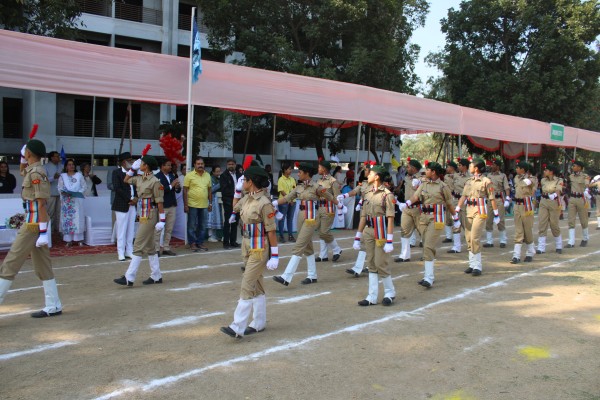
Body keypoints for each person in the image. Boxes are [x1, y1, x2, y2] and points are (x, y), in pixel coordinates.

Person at [0, 138, 63, 318]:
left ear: (29, 154)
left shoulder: (36, 173)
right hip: (35, 222)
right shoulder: (32, 170)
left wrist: (43, 232)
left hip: (34, 223)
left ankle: (53, 304)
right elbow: (22, 171)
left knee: (10, 263)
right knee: (43, 265)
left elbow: (42, 203)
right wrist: (22, 158)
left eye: (25, 153)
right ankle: (53, 305)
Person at [220, 166, 279, 338]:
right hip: (247, 245)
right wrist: (238, 191)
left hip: (259, 247)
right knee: (257, 284)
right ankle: (259, 323)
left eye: (244, 180)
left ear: (251, 181)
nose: (242, 182)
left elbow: (272, 231)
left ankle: (238, 326)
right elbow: (235, 207)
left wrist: (274, 254)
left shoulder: (264, 203)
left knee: (247, 283)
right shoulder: (247, 198)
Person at [272, 162, 335, 286]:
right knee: (307, 246)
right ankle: (312, 275)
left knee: (299, 244)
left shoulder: (317, 186)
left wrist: (340, 205)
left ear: (307, 174)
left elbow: (329, 196)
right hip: (301, 215)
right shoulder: (299, 187)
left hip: (312, 217)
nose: (298, 173)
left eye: (300, 172)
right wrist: (273, 203)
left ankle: (286, 276)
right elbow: (287, 198)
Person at [399, 162, 459, 288]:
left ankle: (429, 278)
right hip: (423, 218)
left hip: (436, 219)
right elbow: (416, 196)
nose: (425, 171)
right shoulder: (424, 184)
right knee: (426, 245)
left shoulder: (443, 187)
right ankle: (427, 274)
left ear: (433, 172)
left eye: (427, 170)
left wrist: (455, 217)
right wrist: (407, 203)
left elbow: (449, 204)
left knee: (428, 246)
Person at [114, 154, 165, 286]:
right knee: (149, 247)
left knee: (138, 244)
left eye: (141, 163)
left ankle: (129, 277)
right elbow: (126, 179)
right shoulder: (140, 178)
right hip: (143, 213)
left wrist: (162, 220)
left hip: (151, 213)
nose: (138, 164)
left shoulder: (155, 181)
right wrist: (132, 170)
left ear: (146, 166)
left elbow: (159, 202)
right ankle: (156, 275)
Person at [353, 165, 396, 306]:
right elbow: (364, 216)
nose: (368, 175)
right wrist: (357, 236)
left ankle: (390, 292)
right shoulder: (367, 193)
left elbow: (390, 218)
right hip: (369, 230)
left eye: (371, 173)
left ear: (377, 176)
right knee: (371, 262)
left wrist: (389, 240)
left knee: (380, 263)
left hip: (381, 230)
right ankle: (372, 296)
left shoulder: (387, 195)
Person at [456, 158, 499, 276]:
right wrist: (457, 208)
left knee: (475, 237)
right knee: (468, 238)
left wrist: (496, 213)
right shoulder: (469, 181)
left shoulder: (486, 181)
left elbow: (491, 198)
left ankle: (478, 266)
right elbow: (463, 196)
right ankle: (471, 264)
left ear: (476, 168)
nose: (469, 167)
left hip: (480, 210)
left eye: (471, 165)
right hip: (468, 210)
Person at [509, 161, 538, 264]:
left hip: (527, 206)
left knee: (527, 230)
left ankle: (530, 252)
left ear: (523, 169)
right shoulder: (516, 177)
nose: (516, 169)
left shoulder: (532, 179)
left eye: (518, 168)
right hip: (517, 205)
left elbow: (529, 183)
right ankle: (516, 255)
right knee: (518, 230)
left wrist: (524, 176)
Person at [395, 158, 423, 263]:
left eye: (408, 166)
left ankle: (427, 254)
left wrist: (419, 182)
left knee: (423, 231)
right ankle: (404, 255)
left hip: (418, 208)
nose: (407, 168)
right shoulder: (406, 177)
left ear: (414, 168)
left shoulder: (422, 178)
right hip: (407, 207)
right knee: (404, 231)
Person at [316, 159, 343, 262]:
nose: (318, 169)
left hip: (329, 208)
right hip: (320, 208)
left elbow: (337, 197)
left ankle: (336, 249)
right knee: (320, 231)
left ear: (324, 169)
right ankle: (323, 255)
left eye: (319, 167)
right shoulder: (319, 181)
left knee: (324, 232)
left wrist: (340, 211)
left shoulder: (333, 181)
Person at [183, 156, 212, 252]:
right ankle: (192, 243)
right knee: (191, 225)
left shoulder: (207, 175)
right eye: (198, 164)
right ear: (194, 165)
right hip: (192, 205)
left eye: (202, 164)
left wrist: (210, 203)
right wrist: (186, 205)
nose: (200, 165)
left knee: (203, 225)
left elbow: (209, 190)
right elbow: (185, 190)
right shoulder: (189, 175)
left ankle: (200, 242)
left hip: (204, 205)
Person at [112, 152, 136, 261]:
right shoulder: (116, 172)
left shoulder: (133, 173)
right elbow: (117, 188)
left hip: (132, 205)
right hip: (122, 204)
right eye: (129, 160)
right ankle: (120, 252)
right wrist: (129, 199)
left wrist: (135, 198)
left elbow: (137, 186)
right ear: (123, 162)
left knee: (131, 229)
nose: (131, 162)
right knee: (121, 230)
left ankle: (129, 251)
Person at [154, 158, 181, 256]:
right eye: (168, 165)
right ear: (162, 166)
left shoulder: (171, 175)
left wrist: (177, 187)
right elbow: (160, 190)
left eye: (170, 165)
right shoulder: (157, 177)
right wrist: (171, 185)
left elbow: (176, 190)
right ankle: (156, 248)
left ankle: (166, 247)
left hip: (172, 204)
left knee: (169, 228)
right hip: (162, 205)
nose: (170, 167)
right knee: (159, 228)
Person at [536, 165, 564, 254]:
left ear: (551, 172)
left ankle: (559, 245)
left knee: (554, 224)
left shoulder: (559, 180)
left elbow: (558, 191)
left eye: (546, 170)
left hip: (554, 202)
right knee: (542, 223)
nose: (544, 171)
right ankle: (541, 247)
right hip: (543, 201)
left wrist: (554, 195)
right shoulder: (543, 180)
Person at [58, 159, 86, 246]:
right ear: (66, 167)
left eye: (73, 164)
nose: (71, 166)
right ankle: (68, 240)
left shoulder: (79, 175)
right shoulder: (62, 176)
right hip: (67, 201)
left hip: (77, 200)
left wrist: (77, 193)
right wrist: (64, 193)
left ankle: (79, 239)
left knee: (77, 219)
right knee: (68, 219)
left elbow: (84, 186)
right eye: (69, 165)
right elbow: (60, 187)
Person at [483, 158, 510, 248]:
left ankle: (503, 240)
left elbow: (506, 187)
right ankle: (489, 241)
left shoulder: (502, 176)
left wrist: (507, 198)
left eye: (493, 165)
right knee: (488, 220)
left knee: (500, 220)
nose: (492, 166)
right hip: (490, 199)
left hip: (499, 199)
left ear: (498, 166)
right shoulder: (488, 175)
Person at [448, 158, 471, 254]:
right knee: (455, 223)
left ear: (465, 166)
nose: (459, 167)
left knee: (467, 224)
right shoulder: (456, 176)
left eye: (460, 165)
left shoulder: (470, 177)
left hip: (465, 202)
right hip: (456, 201)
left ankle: (471, 245)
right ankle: (456, 247)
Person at [566, 160, 591, 247]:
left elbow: (587, 185)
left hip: (581, 198)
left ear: (580, 167)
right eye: (573, 166)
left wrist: (586, 191)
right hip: (572, 198)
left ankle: (585, 238)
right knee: (571, 220)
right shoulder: (571, 176)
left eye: (575, 166)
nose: (573, 167)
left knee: (583, 220)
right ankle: (571, 241)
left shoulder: (585, 176)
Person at [220, 159, 242, 249]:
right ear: (226, 165)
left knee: (235, 222)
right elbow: (224, 190)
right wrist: (235, 194)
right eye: (229, 164)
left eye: (232, 164)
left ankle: (233, 241)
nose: (230, 166)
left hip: (239, 202)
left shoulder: (240, 175)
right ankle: (226, 242)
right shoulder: (223, 176)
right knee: (228, 222)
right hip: (229, 201)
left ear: (235, 165)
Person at [277, 161, 296, 243]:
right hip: (283, 202)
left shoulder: (292, 179)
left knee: (290, 219)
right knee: (282, 218)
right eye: (289, 169)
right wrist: (289, 199)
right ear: (284, 170)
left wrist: (291, 200)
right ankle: (281, 235)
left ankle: (290, 235)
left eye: (291, 169)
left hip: (292, 201)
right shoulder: (280, 179)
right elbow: (282, 191)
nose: (290, 170)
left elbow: (295, 190)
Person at [44, 151, 62, 233]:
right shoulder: (45, 167)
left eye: (58, 156)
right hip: (50, 193)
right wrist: (53, 177)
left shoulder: (61, 166)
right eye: (57, 156)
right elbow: (43, 180)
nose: (58, 158)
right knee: (50, 213)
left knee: (59, 213)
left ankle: (59, 230)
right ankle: (49, 232)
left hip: (61, 193)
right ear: (51, 157)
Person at [441, 161, 458, 243]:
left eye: (448, 167)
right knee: (448, 217)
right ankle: (449, 236)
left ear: (452, 168)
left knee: (458, 217)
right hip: (448, 197)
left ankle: (461, 234)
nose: (447, 168)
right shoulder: (446, 176)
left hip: (456, 197)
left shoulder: (458, 176)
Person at [207, 165, 223, 242]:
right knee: (212, 218)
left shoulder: (219, 179)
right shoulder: (210, 179)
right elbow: (211, 190)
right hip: (212, 200)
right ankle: (210, 235)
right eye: (217, 171)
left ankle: (216, 235)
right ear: (213, 172)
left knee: (217, 218)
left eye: (219, 171)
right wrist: (220, 184)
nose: (218, 173)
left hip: (218, 201)